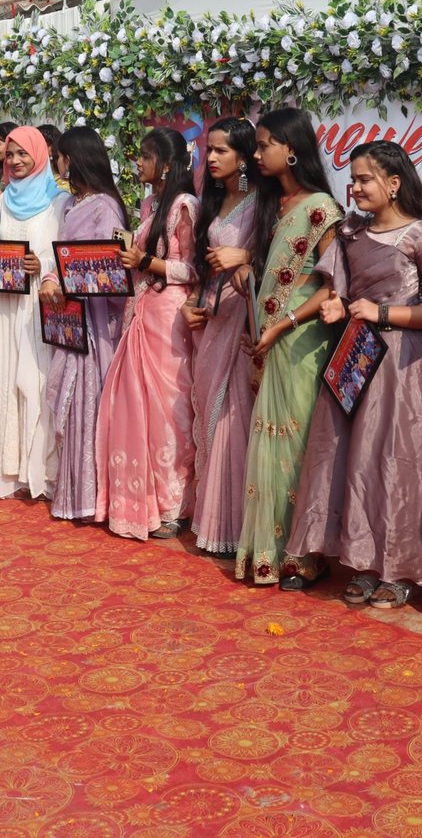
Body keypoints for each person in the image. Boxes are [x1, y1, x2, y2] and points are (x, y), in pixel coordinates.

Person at [285, 140, 422, 607]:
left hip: (404, 366)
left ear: (394, 183)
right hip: (355, 357)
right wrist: (338, 307)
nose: (355, 188)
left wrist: (382, 314)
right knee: (354, 459)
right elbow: (340, 293)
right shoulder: (350, 234)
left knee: (398, 462)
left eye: (365, 179)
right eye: (353, 179)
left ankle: (399, 568)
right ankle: (362, 562)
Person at [234, 108, 344, 587]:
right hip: (269, 337)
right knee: (268, 442)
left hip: (302, 342)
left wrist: (283, 325)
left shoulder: (320, 207)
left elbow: (332, 288)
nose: (256, 155)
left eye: (264, 146)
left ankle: (301, 557)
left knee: (297, 444)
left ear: (292, 148)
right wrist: (247, 280)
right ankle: (266, 555)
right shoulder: (271, 206)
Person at [94, 128, 199, 540]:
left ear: (167, 165)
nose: (137, 162)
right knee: (136, 406)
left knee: (169, 410)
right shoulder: (150, 204)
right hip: (142, 308)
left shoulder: (184, 206)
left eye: (145, 156)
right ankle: (142, 500)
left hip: (169, 315)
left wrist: (146, 263)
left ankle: (176, 505)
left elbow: (193, 269)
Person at [182, 117, 261, 557]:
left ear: (244, 157)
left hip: (244, 316)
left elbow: (280, 259)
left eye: (221, 151)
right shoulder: (212, 200)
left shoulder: (263, 201)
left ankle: (239, 527)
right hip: (213, 317)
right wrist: (192, 302)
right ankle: (214, 521)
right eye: (208, 150)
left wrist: (245, 255)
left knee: (236, 417)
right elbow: (202, 265)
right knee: (212, 416)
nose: (210, 158)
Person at [44, 127, 129, 521]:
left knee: (87, 400)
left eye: (59, 157)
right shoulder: (70, 204)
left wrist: (69, 280)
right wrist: (53, 279)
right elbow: (61, 256)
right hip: (70, 316)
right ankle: (72, 492)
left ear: (72, 159)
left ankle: (93, 497)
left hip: (94, 320)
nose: (57, 164)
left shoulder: (105, 207)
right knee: (68, 402)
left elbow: (110, 270)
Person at [0, 126, 64, 499]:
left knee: (38, 378)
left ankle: (44, 473)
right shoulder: (5, 201)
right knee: (9, 375)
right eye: (11, 154)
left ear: (40, 154)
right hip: (9, 301)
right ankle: (13, 469)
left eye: (22, 153)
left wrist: (42, 264)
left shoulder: (58, 200)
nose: (15, 161)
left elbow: (64, 250)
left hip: (39, 301)